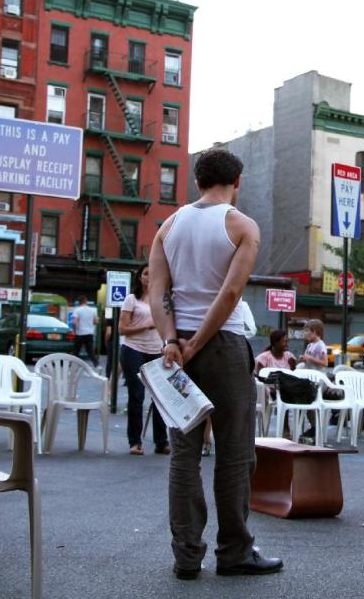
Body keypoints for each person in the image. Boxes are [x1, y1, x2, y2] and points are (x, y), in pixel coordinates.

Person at [149, 147, 283, 580]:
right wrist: (198, 342)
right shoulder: (242, 225)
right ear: (237, 182)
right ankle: (234, 551)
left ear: (197, 181)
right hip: (223, 344)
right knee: (234, 451)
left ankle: (186, 556)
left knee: (183, 454)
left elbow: (157, 292)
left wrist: (173, 341)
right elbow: (228, 295)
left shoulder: (167, 226)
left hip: (176, 347)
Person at [118, 264, 169, 456]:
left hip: (157, 350)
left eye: (153, 273)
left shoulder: (164, 299)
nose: (150, 277)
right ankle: (135, 442)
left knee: (160, 397)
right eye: (146, 273)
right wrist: (146, 326)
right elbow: (122, 329)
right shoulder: (132, 299)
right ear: (140, 277)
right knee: (137, 395)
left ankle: (161, 442)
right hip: (133, 349)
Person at [72, 295, 98, 365]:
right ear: (86, 301)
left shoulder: (77, 310)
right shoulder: (93, 310)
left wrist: (74, 330)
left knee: (76, 351)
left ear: (79, 302)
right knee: (90, 352)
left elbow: (74, 322)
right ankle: (96, 364)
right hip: (89, 333)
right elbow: (96, 322)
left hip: (80, 333)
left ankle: (73, 365)